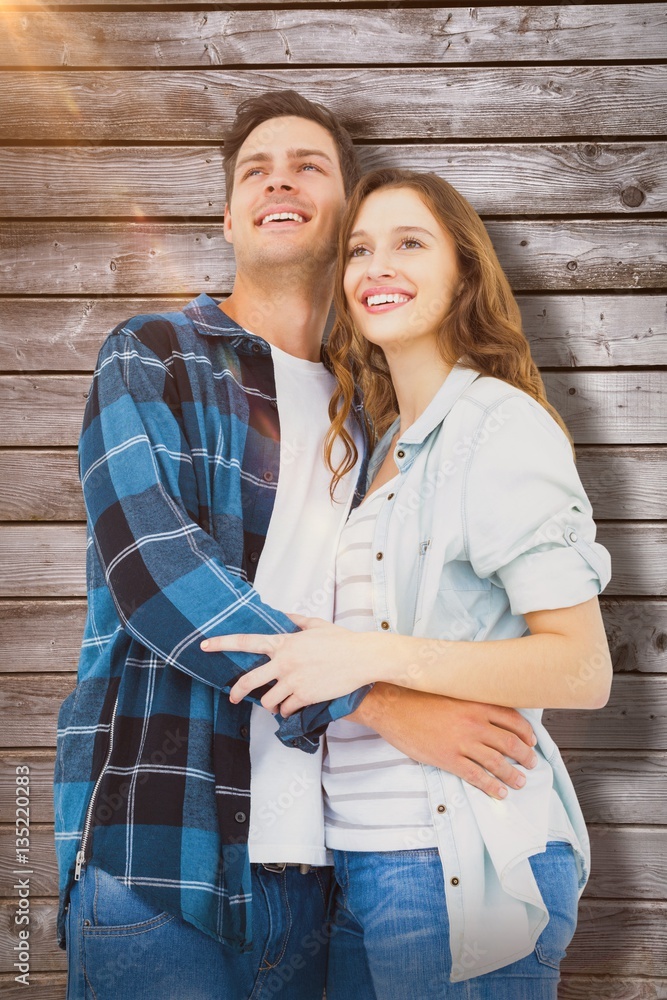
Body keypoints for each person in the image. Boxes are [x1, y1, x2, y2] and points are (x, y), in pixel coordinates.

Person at [54, 98, 540, 999]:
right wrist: (381, 704)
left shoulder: (385, 411)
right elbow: (156, 578)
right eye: (256, 169)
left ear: (348, 214)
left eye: (309, 165)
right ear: (230, 217)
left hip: (330, 871)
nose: (280, 177)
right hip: (168, 853)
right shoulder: (156, 354)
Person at [203, 169, 613, 997]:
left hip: (459, 869)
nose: (374, 267)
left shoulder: (497, 426)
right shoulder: (378, 444)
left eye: (409, 244)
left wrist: (364, 657)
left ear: (464, 271)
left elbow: (580, 668)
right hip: (360, 865)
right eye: (358, 250)